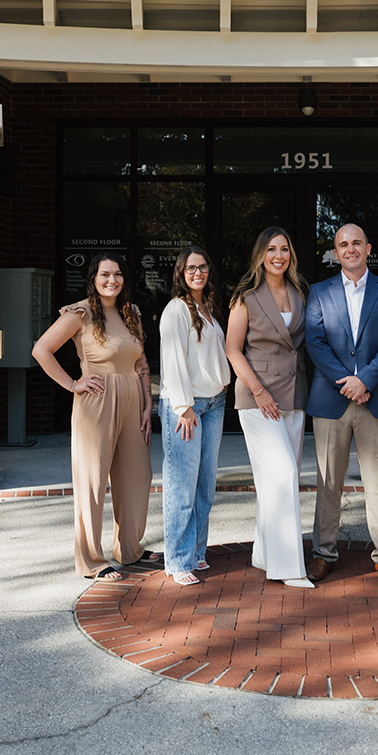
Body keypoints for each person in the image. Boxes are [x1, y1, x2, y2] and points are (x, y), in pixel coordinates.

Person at [32, 253, 156, 581]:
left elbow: (141, 361)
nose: (111, 280)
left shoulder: (131, 314)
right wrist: (73, 383)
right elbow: (41, 350)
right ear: (94, 278)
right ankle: (91, 559)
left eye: (117, 275)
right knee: (92, 480)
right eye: (104, 275)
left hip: (133, 401)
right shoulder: (81, 313)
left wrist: (147, 404)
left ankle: (129, 548)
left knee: (137, 475)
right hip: (96, 403)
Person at [305, 223, 378, 585]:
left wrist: (365, 379)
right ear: (336, 253)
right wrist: (348, 384)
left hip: (377, 397)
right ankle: (324, 553)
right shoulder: (319, 292)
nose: (350, 249)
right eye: (342, 245)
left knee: (377, 482)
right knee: (328, 481)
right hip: (331, 399)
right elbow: (315, 342)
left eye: (356, 243)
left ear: (368, 248)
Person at [225, 227, 314, 589]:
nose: (279, 255)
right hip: (258, 398)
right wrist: (259, 391)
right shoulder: (245, 298)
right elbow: (233, 349)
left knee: (276, 480)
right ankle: (288, 567)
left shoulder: (300, 293)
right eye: (272, 249)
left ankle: (263, 553)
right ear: (260, 254)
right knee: (282, 476)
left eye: (285, 249)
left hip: (294, 394)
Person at [158, 245, 230, 586]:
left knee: (204, 486)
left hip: (214, 403)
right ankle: (177, 560)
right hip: (186, 407)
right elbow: (172, 359)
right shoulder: (176, 309)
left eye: (202, 267)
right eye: (191, 269)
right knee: (181, 487)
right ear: (181, 274)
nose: (197, 273)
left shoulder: (209, 308)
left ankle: (197, 551)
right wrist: (183, 407)